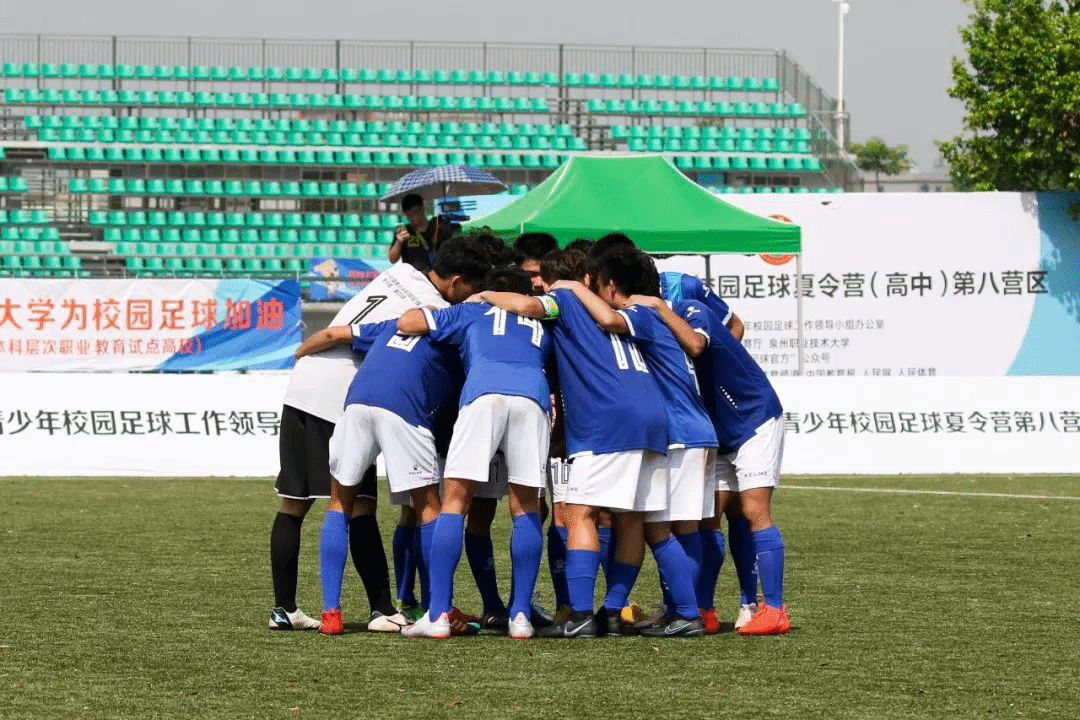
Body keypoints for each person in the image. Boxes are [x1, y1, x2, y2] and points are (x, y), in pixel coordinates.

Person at [269, 237, 488, 635]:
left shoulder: (400, 271)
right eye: (474, 288)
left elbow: (335, 333)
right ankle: (388, 608)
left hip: (304, 383)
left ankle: (287, 608)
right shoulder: (438, 312)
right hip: (349, 391)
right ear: (458, 281)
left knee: (295, 504)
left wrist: (300, 355)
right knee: (363, 506)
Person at [475, 254, 672, 639]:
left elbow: (528, 307)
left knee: (579, 512)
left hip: (606, 420)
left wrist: (485, 294)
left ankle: (580, 613)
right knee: (631, 517)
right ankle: (613, 612)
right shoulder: (628, 311)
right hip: (652, 417)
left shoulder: (565, 299)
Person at [396, 267, 554, 639]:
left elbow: (408, 322)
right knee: (526, 506)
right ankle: (520, 616)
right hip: (532, 398)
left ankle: (438, 615)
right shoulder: (540, 321)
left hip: (483, 394)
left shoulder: (473, 309)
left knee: (455, 502)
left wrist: (465, 303)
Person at [567, 246, 714, 637]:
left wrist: (570, 287)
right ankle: (675, 611)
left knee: (663, 530)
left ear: (611, 285)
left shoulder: (641, 313)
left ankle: (688, 613)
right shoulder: (658, 314)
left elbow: (610, 320)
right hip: (690, 428)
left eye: (595, 285)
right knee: (664, 527)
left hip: (680, 432)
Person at [292, 315, 465, 637]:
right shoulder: (453, 332)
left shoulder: (394, 324)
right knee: (428, 508)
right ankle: (437, 609)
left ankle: (331, 614)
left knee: (339, 504)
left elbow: (331, 334)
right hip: (404, 408)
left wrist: (299, 352)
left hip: (356, 405)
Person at [388, 194, 456, 272]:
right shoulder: (404, 231)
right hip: (411, 276)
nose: (412, 218)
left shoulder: (437, 228)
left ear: (422, 209)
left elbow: (450, 255)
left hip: (434, 275)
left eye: (415, 213)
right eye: (409, 215)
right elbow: (392, 259)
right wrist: (399, 242)